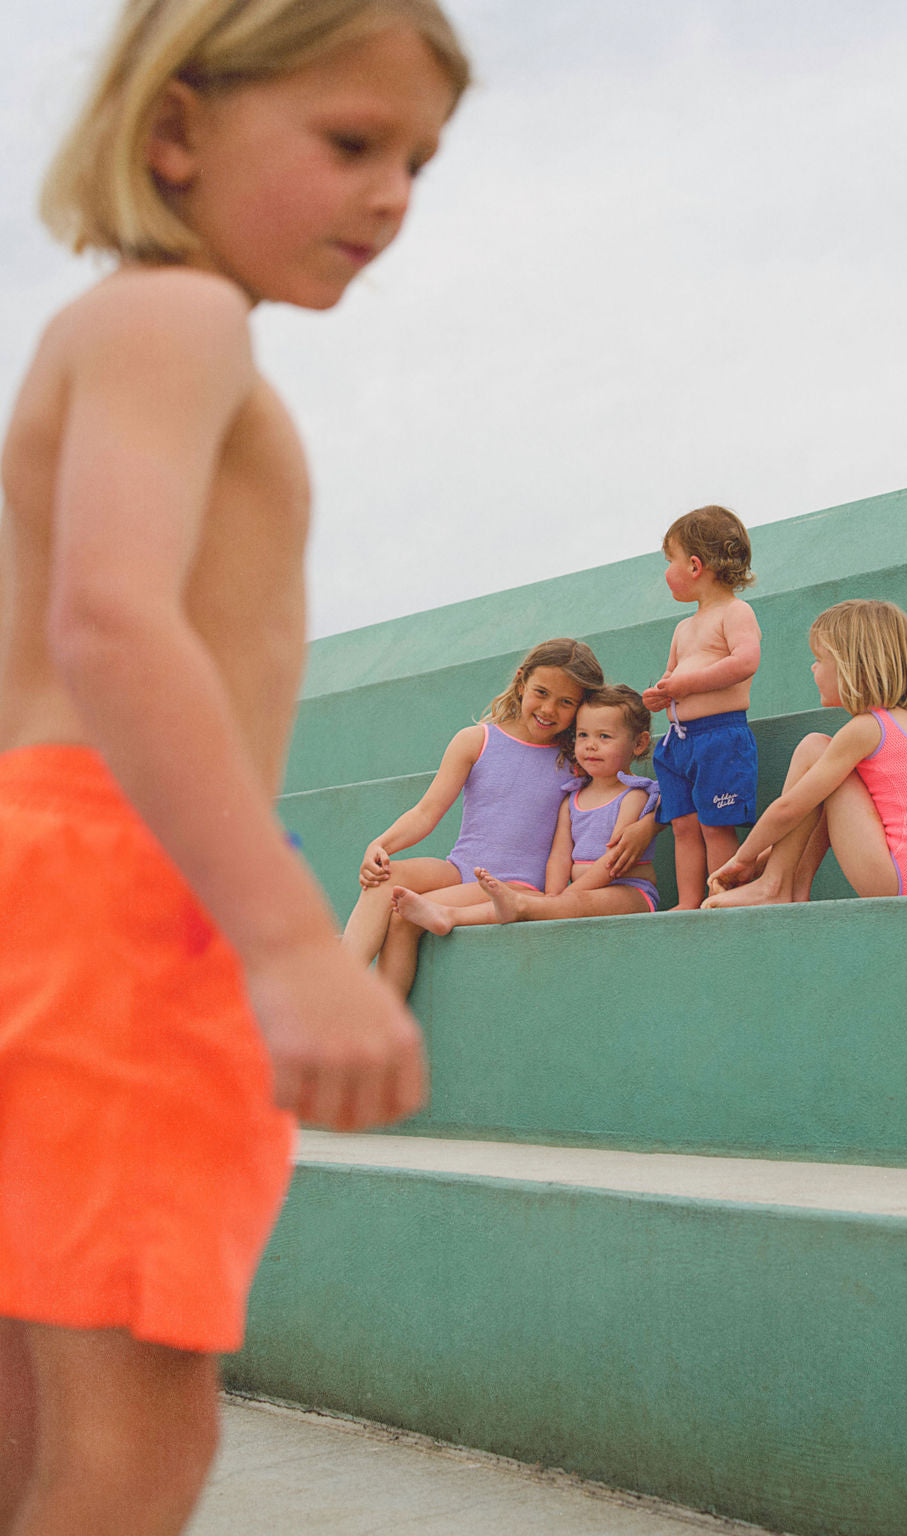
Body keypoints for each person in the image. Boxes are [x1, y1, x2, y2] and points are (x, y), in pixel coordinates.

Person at [0, 2, 470, 1532]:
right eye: (352, 141)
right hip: (122, 892)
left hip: (45, 876)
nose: (391, 195)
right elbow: (113, 619)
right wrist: (286, 938)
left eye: (418, 162)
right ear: (176, 131)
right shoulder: (179, 321)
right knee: (138, 1442)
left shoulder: (120, 330)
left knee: (33, 1420)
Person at [343, 638, 605, 995]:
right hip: (460, 868)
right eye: (541, 693)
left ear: (582, 705)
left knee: (403, 915)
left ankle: (380, 1019)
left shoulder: (577, 759)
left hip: (517, 884)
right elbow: (425, 812)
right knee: (384, 879)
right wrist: (380, 845)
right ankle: (336, 989)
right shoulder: (476, 740)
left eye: (566, 702)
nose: (548, 709)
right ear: (521, 682)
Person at [703, 599, 907, 907]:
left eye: (819, 659)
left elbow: (788, 808)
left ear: (851, 666)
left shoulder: (867, 729)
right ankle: (793, 888)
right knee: (825, 782)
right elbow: (814, 815)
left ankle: (774, 886)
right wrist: (762, 858)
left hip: (897, 886)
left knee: (814, 748)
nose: (813, 667)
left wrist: (742, 859)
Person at [642, 506, 762, 909]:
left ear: (695, 566)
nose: (666, 571)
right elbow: (672, 675)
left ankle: (721, 895)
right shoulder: (683, 628)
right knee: (684, 826)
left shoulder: (735, 612)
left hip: (720, 739)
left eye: (669, 560)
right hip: (679, 743)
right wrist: (661, 693)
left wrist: (686, 685)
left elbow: (745, 661)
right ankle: (689, 901)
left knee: (715, 826)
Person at [473, 685, 661, 922]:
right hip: (580, 894)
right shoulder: (573, 799)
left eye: (604, 736)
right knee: (555, 901)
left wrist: (566, 897)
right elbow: (560, 857)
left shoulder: (634, 795)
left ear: (639, 744)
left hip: (630, 891)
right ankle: (455, 914)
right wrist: (553, 894)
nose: (590, 745)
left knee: (572, 903)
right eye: (583, 735)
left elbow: (614, 861)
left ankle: (522, 906)